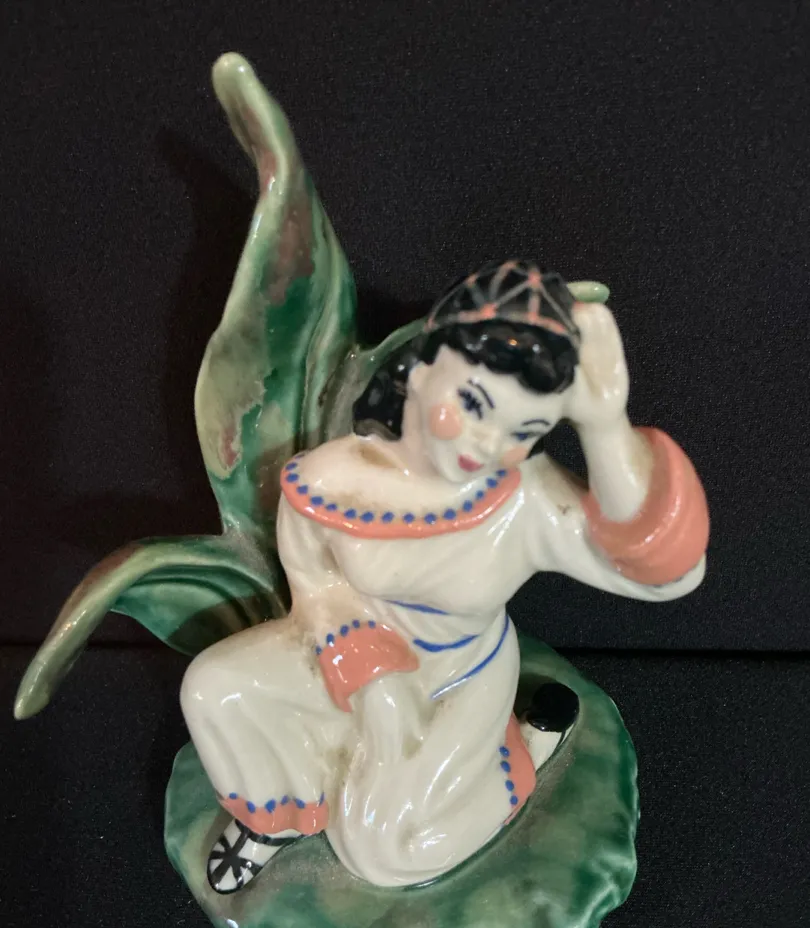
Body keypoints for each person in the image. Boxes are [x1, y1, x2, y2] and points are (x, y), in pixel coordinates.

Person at [180, 260, 709, 893]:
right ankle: (277, 822)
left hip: (459, 674)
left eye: (522, 432)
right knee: (215, 690)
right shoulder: (330, 478)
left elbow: (666, 575)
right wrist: (368, 673)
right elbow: (313, 581)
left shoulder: (525, 503)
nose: (484, 444)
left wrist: (605, 427)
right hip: (350, 648)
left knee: (380, 852)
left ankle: (522, 754)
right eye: (473, 404)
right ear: (424, 367)